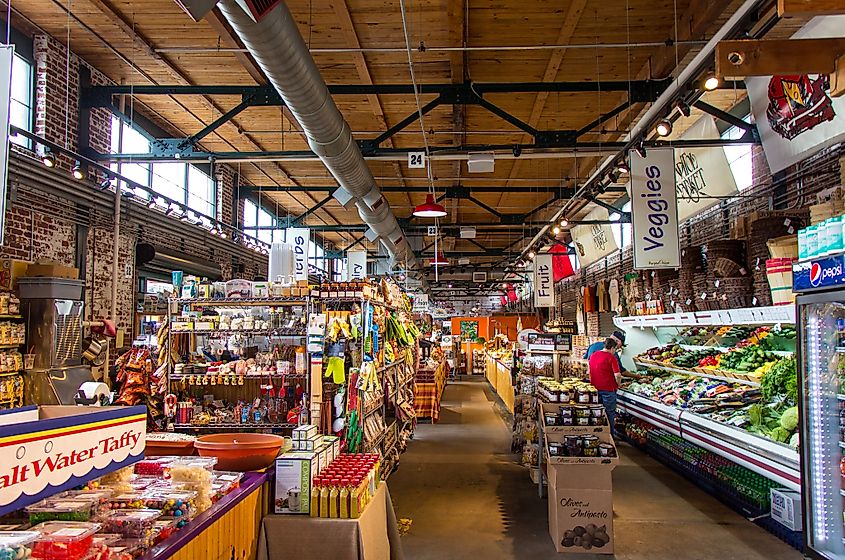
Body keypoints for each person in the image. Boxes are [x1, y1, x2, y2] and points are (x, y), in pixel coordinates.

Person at [588, 337, 623, 435]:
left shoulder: (593, 355)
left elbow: (589, 371)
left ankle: (597, 434)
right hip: (608, 390)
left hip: (595, 389)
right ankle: (610, 436)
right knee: (609, 414)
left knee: (597, 414)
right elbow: (618, 375)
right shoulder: (611, 357)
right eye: (615, 349)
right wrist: (618, 384)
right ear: (612, 348)